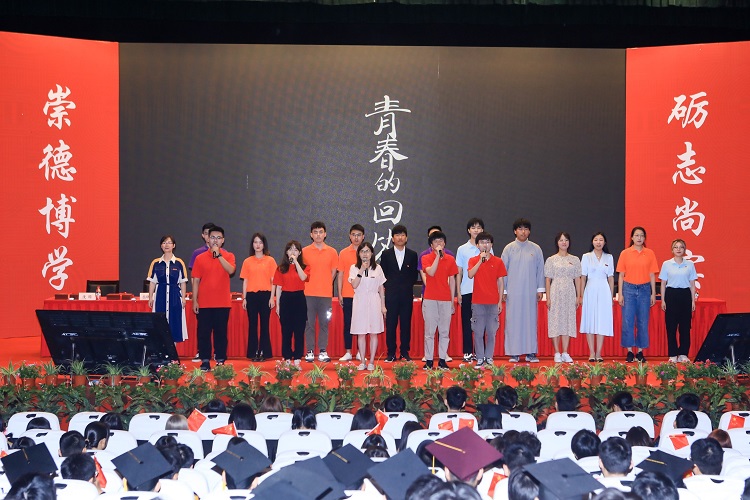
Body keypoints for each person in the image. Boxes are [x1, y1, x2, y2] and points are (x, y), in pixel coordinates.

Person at [192, 226, 236, 371]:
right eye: (212, 237)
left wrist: (219, 256)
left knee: (221, 333)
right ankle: (205, 360)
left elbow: (231, 270)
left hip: (222, 303)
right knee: (203, 333)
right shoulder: (199, 258)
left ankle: (220, 360)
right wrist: (195, 300)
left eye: (218, 238)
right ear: (207, 239)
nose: (215, 240)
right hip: (204, 303)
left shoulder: (229, 256)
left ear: (223, 240)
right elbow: (196, 280)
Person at [501, 218, 545, 363]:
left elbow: (540, 270)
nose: (523, 232)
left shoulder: (536, 249)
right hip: (513, 292)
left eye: (526, 229)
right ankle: (514, 353)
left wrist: (540, 289)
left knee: (530, 321)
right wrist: (504, 290)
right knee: (513, 321)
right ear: (515, 231)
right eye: (520, 229)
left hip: (530, 292)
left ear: (529, 231)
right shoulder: (508, 249)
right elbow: (503, 272)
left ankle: (530, 352)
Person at [617, 226, 658, 362]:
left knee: (643, 321)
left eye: (641, 235)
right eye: (636, 235)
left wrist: (653, 293)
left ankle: (640, 351)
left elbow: (652, 275)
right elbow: (621, 275)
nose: (639, 238)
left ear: (644, 238)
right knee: (627, 320)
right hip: (628, 289)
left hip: (645, 289)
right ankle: (629, 351)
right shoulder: (625, 253)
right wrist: (620, 293)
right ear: (632, 237)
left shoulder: (650, 253)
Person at [380, 224, 419, 362]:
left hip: (406, 295)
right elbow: (383, 274)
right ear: (392, 238)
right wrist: (391, 287)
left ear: (406, 238)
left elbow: (414, 275)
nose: (400, 237)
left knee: (405, 325)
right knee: (390, 325)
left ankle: (404, 352)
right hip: (391, 295)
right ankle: (391, 353)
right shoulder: (386, 254)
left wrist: (405, 287)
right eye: (397, 235)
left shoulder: (412, 255)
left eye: (402, 235)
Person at [467, 231, 506, 368]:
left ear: (492, 244)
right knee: (478, 332)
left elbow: (501, 282)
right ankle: (479, 357)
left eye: (488, 242)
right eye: (482, 242)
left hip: (493, 302)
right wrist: (480, 260)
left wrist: (500, 301)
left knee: (491, 332)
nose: (485, 245)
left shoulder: (498, 261)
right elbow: (470, 275)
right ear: (477, 245)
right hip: (478, 301)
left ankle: (489, 357)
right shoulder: (473, 260)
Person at [418, 225, 455, 363]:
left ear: (444, 243)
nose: (439, 243)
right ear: (431, 245)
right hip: (430, 299)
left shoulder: (450, 259)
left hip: (445, 299)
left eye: (441, 241)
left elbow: (452, 280)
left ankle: (442, 359)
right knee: (430, 332)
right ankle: (429, 360)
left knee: (444, 331)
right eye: (436, 241)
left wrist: (452, 300)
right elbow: (431, 272)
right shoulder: (425, 258)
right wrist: (438, 257)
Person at [302, 221, 338, 363]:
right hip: (307, 294)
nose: (318, 235)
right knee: (309, 323)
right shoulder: (304, 251)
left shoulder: (332, 252)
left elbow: (333, 272)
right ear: (311, 234)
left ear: (325, 234)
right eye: (315, 232)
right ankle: (310, 351)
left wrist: (325, 283)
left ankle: (323, 351)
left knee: (324, 323)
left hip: (325, 294)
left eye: (321, 232)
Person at [545, 231, 582, 363]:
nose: (564, 242)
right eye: (561, 240)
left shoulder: (575, 259)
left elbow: (578, 279)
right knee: (555, 321)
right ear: (557, 243)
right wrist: (548, 297)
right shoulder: (551, 260)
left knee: (568, 321)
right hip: (555, 292)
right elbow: (548, 280)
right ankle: (557, 352)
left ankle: (565, 352)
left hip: (570, 292)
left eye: (566, 240)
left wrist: (578, 296)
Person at [349, 241, 387, 371]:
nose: (365, 254)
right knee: (360, 333)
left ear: (372, 253)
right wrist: (361, 270)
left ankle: (371, 361)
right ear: (358, 254)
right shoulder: (354, 268)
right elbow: (354, 285)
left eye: (367, 251)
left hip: (374, 300)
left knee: (373, 332)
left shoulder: (378, 268)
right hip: (360, 301)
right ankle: (362, 361)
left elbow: (381, 288)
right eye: (362, 251)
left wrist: (383, 306)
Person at [659, 238, 697, 363]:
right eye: (676, 247)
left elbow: (692, 284)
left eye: (681, 247)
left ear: (684, 250)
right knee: (671, 326)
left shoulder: (689, 264)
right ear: (672, 250)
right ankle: (673, 354)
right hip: (671, 295)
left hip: (685, 295)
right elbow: (663, 284)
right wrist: (663, 300)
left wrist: (693, 301)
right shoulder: (666, 264)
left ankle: (683, 354)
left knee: (685, 327)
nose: (678, 249)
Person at [240, 232, 277, 361]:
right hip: (251, 296)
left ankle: (264, 352)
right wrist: (244, 298)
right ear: (252, 244)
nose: (258, 245)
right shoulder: (247, 261)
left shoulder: (270, 260)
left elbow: (273, 281)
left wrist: (272, 297)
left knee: (265, 325)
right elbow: (245, 281)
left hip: (266, 295)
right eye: (255, 242)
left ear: (264, 245)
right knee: (252, 325)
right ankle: (253, 352)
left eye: (260, 242)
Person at [456, 217, 488, 362]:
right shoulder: (462, 249)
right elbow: (459, 272)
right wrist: (458, 292)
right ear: (468, 230)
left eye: (479, 227)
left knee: (482, 324)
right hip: (467, 290)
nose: (476, 230)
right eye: (473, 227)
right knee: (467, 322)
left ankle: (481, 353)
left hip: (483, 291)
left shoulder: (487, 247)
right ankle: (468, 352)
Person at [580, 231, 615, 362]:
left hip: (604, 290)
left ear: (604, 242)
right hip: (590, 289)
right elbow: (583, 277)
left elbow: (611, 278)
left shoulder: (609, 257)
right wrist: (581, 295)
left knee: (602, 321)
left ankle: (599, 353)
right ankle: (591, 352)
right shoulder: (586, 256)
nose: (598, 242)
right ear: (592, 242)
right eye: (596, 239)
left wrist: (611, 296)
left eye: (601, 240)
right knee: (589, 320)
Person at [147, 235, 188, 343]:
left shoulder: (179, 263)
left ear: (174, 245)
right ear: (161, 245)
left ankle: (173, 350)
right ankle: (162, 349)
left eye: (169, 242)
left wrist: (183, 298)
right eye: (164, 242)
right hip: (160, 293)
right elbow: (152, 281)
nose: (166, 245)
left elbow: (183, 282)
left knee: (175, 322)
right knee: (160, 321)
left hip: (175, 295)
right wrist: (150, 297)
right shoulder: (156, 263)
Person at [273, 240, 310, 364]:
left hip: (299, 299)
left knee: (299, 331)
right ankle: (287, 357)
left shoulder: (304, 267)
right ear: (286, 252)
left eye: (295, 249)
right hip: (286, 299)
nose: (292, 252)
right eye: (290, 249)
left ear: (299, 253)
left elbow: (303, 277)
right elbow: (278, 287)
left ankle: (298, 358)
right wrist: (278, 305)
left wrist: (296, 263)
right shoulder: (281, 268)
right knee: (286, 331)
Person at [337, 224, 366, 361]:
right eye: (354, 235)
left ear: (363, 237)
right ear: (350, 236)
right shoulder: (343, 253)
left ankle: (361, 351)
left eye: (359, 235)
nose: (356, 237)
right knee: (348, 323)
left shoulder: (366, 252)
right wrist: (339, 293)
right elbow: (340, 275)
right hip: (348, 294)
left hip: (363, 294)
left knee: (362, 323)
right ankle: (348, 351)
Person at [187, 222, 215, 361]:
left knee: (218, 327)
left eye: (212, 234)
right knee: (203, 327)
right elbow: (194, 277)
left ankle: (218, 353)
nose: (209, 236)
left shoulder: (223, 253)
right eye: (206, 233)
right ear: (203, 236)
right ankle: (202, 352)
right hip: (202, 296)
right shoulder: (197, 253)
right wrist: (196, 296)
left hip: (216, 296)